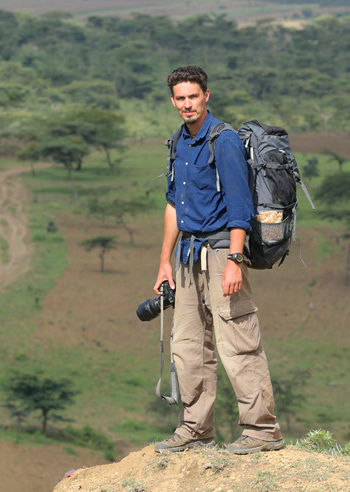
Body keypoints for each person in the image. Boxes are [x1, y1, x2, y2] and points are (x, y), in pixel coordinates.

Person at [152, 66, 284, 455]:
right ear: (173, 100)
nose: (187, 104)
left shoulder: (222, 141)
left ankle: (262, 431)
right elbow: (173, 205)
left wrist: (235, 260)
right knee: (188, 345)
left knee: (238, 342)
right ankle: (195, 428)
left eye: (193, 96)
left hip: (222, 252)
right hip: (187, 257)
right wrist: (164, 262)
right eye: (180, 98)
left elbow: (240, 206)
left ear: (206, 95)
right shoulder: (178, 142)